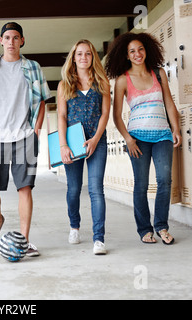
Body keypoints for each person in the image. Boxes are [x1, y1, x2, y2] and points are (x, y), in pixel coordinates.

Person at [0, 22, 51, 257]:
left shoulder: (33, 67)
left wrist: (36, 129)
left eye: (16, 38)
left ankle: (24, 241)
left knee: (25, 188)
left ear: (22, 41)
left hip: (24, 136)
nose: (11, 42)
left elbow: (42, 100)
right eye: (7, 37)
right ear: (1, 40)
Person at [105, 32, 181, 245]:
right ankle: (144, 230)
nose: (137, 54)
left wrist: (175, 129)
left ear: (146, 50)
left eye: (140, 49)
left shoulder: (159, 73)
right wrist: (128, 139)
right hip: (137, 138)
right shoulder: (122, 80)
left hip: (162, 135)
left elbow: (169, 103)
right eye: (132, 51)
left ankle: (162, 227)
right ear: (126, 56)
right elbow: (116, 116)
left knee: (165, 180)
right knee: (141, 184)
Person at [57, 39, 111, 255]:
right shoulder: (65, 84)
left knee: (96, 189)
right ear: (73, 57)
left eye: (88, 54)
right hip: (73, 143)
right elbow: (61, 115)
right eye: (79, 54)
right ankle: (74, 226)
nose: (83, 58)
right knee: (74, 189)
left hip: (97, 140)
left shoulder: (102, 81)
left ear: (93, 57)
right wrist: (63, 145)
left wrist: (97, 138)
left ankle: (99, 239)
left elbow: (105, 113)